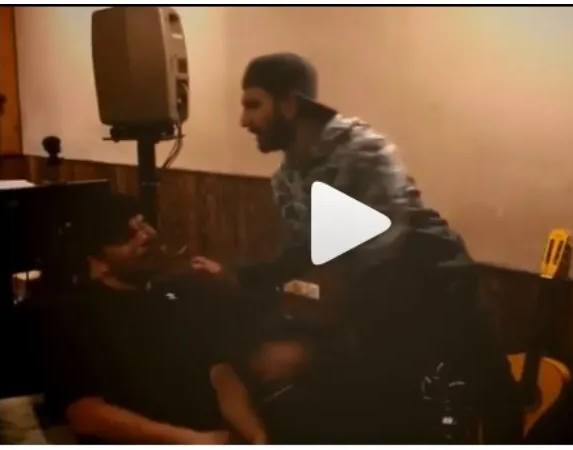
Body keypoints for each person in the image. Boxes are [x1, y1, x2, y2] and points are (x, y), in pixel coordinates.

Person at [191, 52, 521, 444]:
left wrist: (312, 351)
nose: (244, 120)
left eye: (253, 105)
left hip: (438, 287)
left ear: (290, 104)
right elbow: (305, 256)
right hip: (374, 307)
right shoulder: (286, 180)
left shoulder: (362, 150)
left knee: (492, 404)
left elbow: (374, 264)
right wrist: (239, 277)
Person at [39, 194, 267, 444]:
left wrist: (257, 435)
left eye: (144, 224)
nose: (146, 236)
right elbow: (84, 414)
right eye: (128, 236)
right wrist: (192, 440)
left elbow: (219, 374)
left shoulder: (177, 296)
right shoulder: (75, 314)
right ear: (98, 263)